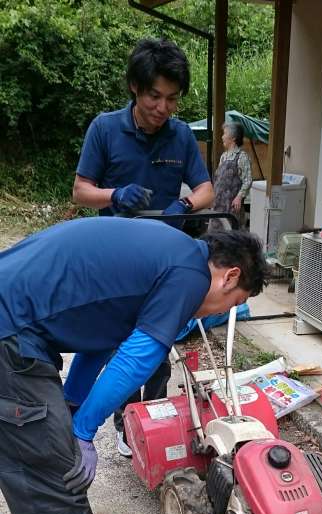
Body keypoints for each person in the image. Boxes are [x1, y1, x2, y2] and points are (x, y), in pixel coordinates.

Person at [0, 216, 267, 514]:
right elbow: (139, 356)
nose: (222, 311)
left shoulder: (172, 256)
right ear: (229, 276)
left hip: (18, 320)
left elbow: (101, 337)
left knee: (59, 437)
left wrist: (74, 405)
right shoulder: (189, 276)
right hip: (9, 330)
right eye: (233, 303)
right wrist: (83, 429)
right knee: (47, 461)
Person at [72, 37, 215, 457]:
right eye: (155, 95)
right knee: (114, 342)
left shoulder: (181, 136)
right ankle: (119, 420)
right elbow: (81, 191)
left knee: (155, 345)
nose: (162, 107)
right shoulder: (105, 128)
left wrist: (183, 205)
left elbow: (206, 189)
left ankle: (151, 422)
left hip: (163, 260)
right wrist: (115, 195)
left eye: (172, 98)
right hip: (114, 260)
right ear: (135, 87)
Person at [211, 122, 252, 229]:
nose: (222, 137)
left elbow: (247, 180)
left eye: (225, 133)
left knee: (231, 234)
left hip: (231, 207)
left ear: (233, 138)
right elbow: (218, 179)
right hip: (218, 205)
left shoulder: (242, 157)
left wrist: (239, 197)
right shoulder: (224, 156)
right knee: (215, 234)